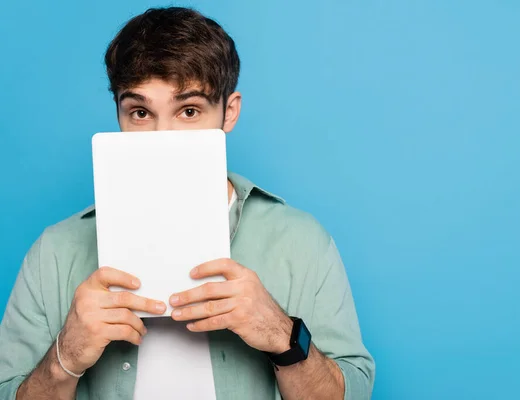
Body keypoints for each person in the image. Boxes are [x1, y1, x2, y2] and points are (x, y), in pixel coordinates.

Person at [0, 7, 375, 400]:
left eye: (189, 111)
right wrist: (66, 355)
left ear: (229, 112)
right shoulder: (54, 252)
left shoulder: (303, 242)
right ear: (119, 114)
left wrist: (283, 335)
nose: (164, 136)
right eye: (141, 113)